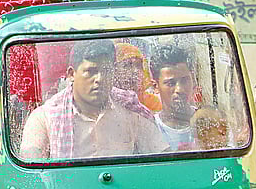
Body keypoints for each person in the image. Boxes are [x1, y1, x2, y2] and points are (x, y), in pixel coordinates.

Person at [17, 40, 168, 161]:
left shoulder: (130, 109)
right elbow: (31, 167)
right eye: (91, 71)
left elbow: (163, 157)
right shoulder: (45, 117)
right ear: (71, 74)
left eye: (106, 71)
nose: (99, 79)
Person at [150, 45, 199, 150]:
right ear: (155, 86)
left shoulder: (207, 122)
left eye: (185, 81)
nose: (179, 89)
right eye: (171, 83)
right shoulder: (150, 129)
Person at [112, 42, 162, 113]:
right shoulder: (107, 101)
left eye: (138, 66)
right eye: (127, 65)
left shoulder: (153, 102)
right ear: (114, 69)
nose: (135, 71)